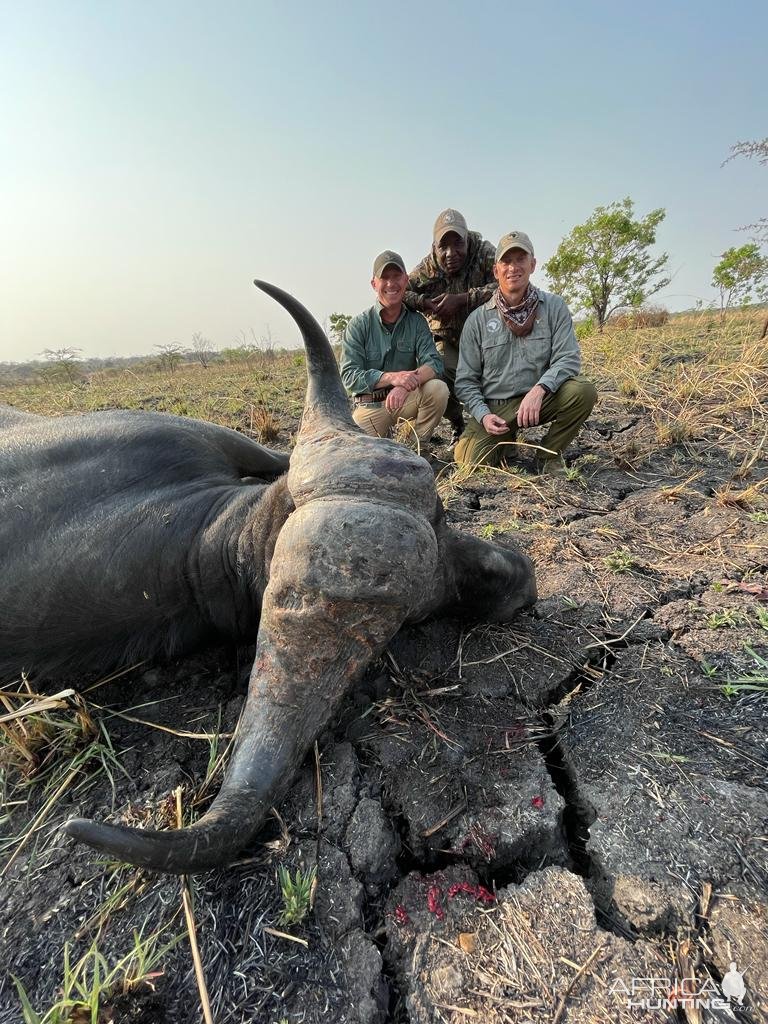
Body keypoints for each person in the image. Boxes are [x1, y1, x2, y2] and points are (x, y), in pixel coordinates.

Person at [454, 230, 597, 473]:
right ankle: (504, 442)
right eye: (506, 262)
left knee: (582, 391)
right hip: (496, 408)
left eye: (521, 259)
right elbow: (465, 382)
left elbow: (568, 358)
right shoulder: (477, 320)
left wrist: (540, 389)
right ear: (496, 270)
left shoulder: (554, 307)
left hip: (541, 399)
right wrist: (484, 415)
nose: (513, 268)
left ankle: (549, 455)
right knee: (467, 461)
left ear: (533, 264)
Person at [404, 209, 496, 445]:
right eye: (443, 246)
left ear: (468, 240)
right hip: (447, 338)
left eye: (458, 244)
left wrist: (465, 298)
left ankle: (496, 423)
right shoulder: (427, 267)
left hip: (486, 338)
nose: (450, 253)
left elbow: (506, 283)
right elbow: (400, 290)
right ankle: (457, 423)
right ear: (434, 247)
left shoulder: (484, 252)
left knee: (493, 379)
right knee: (438, 375)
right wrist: (423, 303)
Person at [340, 250, 448, 448]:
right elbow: (349, 376)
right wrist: (392, 378)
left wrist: (403, 385)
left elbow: (434, 363)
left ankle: (417, 449)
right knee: (355, 452)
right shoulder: (358, 325)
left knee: (438, 389)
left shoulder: (417, 322)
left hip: (404, 400)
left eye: (396, 277)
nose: (391, 284)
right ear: (374, 284)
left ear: (406, 280)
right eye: (384, 278)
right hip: (370, 405)